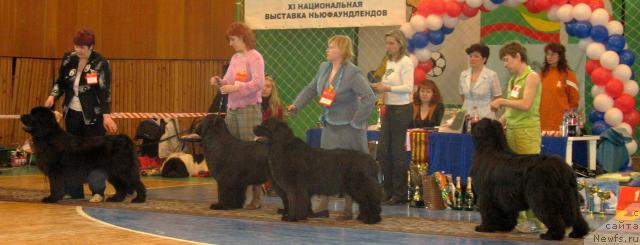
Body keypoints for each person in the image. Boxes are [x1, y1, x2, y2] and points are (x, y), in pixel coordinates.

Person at [288, 35, 375, 220]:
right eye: (328, 46)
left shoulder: (353, 73)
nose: (327, 49)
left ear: (342, 51)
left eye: (332, 47)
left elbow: (369, 97)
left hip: (350, 129)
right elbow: (310, 88)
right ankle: (322, 207)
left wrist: (357, 121)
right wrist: (296, 105)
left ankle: (349, 209)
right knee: (325, 167)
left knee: (351, 169)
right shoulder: (324, 67)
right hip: (330, 125)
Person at [43, 28, 116, 203]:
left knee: (94, 155)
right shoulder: (68, 58)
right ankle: (74, 191)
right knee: (71, 155)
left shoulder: (101, 63)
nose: (78, 50)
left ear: (91, 47)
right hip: (71, 114)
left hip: (93, 117)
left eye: (82, 47)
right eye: (76, 46)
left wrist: (107, 116)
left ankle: (98, 191)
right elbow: (60, 82)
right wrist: (52, 96)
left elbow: (105, 91)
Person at [210, 22, 265, 210]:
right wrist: (220, 81)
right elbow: (229, 80)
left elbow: (258, 83)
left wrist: (236, 87)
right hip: (232, 110)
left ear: (242, 38)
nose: (230, 43)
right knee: (231, 156)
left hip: (249, 109)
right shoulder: (235, 58)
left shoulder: (255, 57)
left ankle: (257, 197)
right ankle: (232, 198)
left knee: (253, 155)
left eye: (232, 39)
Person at [490, 41, 544, 233]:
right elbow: (512, 109)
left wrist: (502, 101)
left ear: (518, 56)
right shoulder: (514, 80)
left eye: (507, 60)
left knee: (529, 177)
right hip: (512, 131)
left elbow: (526, 104)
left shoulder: (532, 77)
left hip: (527, 132)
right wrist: (499, 123)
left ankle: (536, 219)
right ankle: (518, 218)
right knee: (513, 178)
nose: (505, 64)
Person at [371, 30, 414, 205]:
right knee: (382, 152)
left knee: (397, 152)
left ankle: (400, 193)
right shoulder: (389, 62)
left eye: (392, 43)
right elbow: (388, 83)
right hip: (389, 109)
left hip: (402, 109)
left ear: (400, 44)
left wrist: (387, 89)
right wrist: (379, 87)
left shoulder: (406, 62)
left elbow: (408, 87)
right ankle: (386, 190)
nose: (388, 46)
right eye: (387, 43)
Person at [539, 42, 579, 132]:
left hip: (561, 124)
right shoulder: (541, 75)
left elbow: (574, 101)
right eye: (547, 54)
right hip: (542, 123)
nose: (549, 57)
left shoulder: (568, 75)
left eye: (553, 54)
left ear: (560, 56)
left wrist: (569, 125)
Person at [459, 43, 502, 119]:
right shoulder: (463, 74)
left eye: (476, 56)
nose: (472, 58)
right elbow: (463, 96)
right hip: (467, 116)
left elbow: (498, 98)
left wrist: (489, 111)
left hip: (486, 117)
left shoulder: (491, 75)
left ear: (484, 59)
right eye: (470, 56)